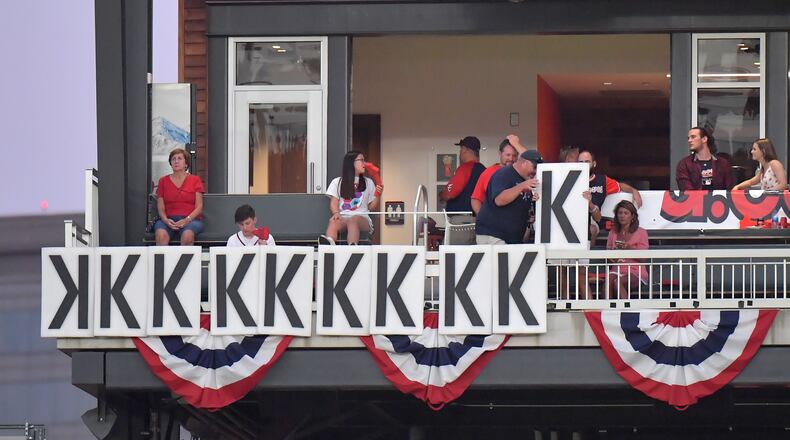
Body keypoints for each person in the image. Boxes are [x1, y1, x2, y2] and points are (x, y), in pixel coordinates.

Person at [475, 150, 542, 244]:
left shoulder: (525, 179)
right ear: (524, 163)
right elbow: (499, 200)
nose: (535, 171)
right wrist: (521, 186)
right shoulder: (504, 174)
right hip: (494, 235)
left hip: (513, 238)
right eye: (534, 167)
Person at [578, 149, 642, 242]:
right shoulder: (570, 179)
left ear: (594, 163)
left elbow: (619, 186)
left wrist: (633, 191)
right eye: (581, 162)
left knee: (591, 229)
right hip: (573, 218)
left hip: (593, 219)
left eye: (587, 162)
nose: (584, 165)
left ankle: (586, 257)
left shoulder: (602, 180)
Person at [320, 150, 382, 245]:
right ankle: (329, 243)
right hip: (343, 216)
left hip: (362, 218)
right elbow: (334, 203)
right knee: (333, 221)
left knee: (354, 220)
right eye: (361, 160)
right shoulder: (337, 182)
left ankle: (352, 247)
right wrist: (336, 213)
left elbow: (370, 207)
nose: (364, 163)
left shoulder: (368, 182)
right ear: (351, 163)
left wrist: (378, 194)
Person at [154, 148, 204, 246]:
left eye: (180, 158)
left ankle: (186, 261)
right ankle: (164, 261)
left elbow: (199, 206)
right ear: (170, 163)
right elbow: (160, 207)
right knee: (160, 235)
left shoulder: (195, 180)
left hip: (191, 220)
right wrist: (166, 220)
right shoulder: (163, 181)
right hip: (168, 220)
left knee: (187, 236)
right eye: (173, 159)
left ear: (186, 164)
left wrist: (186, 220)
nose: (176, 161)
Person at [606, 200, 649, 299]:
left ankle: (625, 311)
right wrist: (614, 258)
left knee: (617, 282)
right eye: (620, 213)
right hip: (617, 269)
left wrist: (629, 248)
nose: (622, 216)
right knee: (608, 282)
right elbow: (608, 256)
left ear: (632, 216)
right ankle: (607, 312)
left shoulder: (641, 232)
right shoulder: (613, 233)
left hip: (635, 271)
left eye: (626, 213)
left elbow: (643, 259)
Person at [470, 136, 523, 215]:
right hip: (493, 221)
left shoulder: (521, 172)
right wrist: (483, 218)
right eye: (508, 155)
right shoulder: (488, 172)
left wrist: (516, 144)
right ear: (500, 153)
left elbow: (532, 161)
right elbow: (475, 199)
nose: (511, 159)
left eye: (514, 155)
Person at [440, 136, 486, 214]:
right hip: (478, 217)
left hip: (462, 220)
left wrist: (442, 195)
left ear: (464, 149)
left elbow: (450, 193)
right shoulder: (484, 170)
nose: (460, 152)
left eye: (460, 149)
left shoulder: (465, 168)